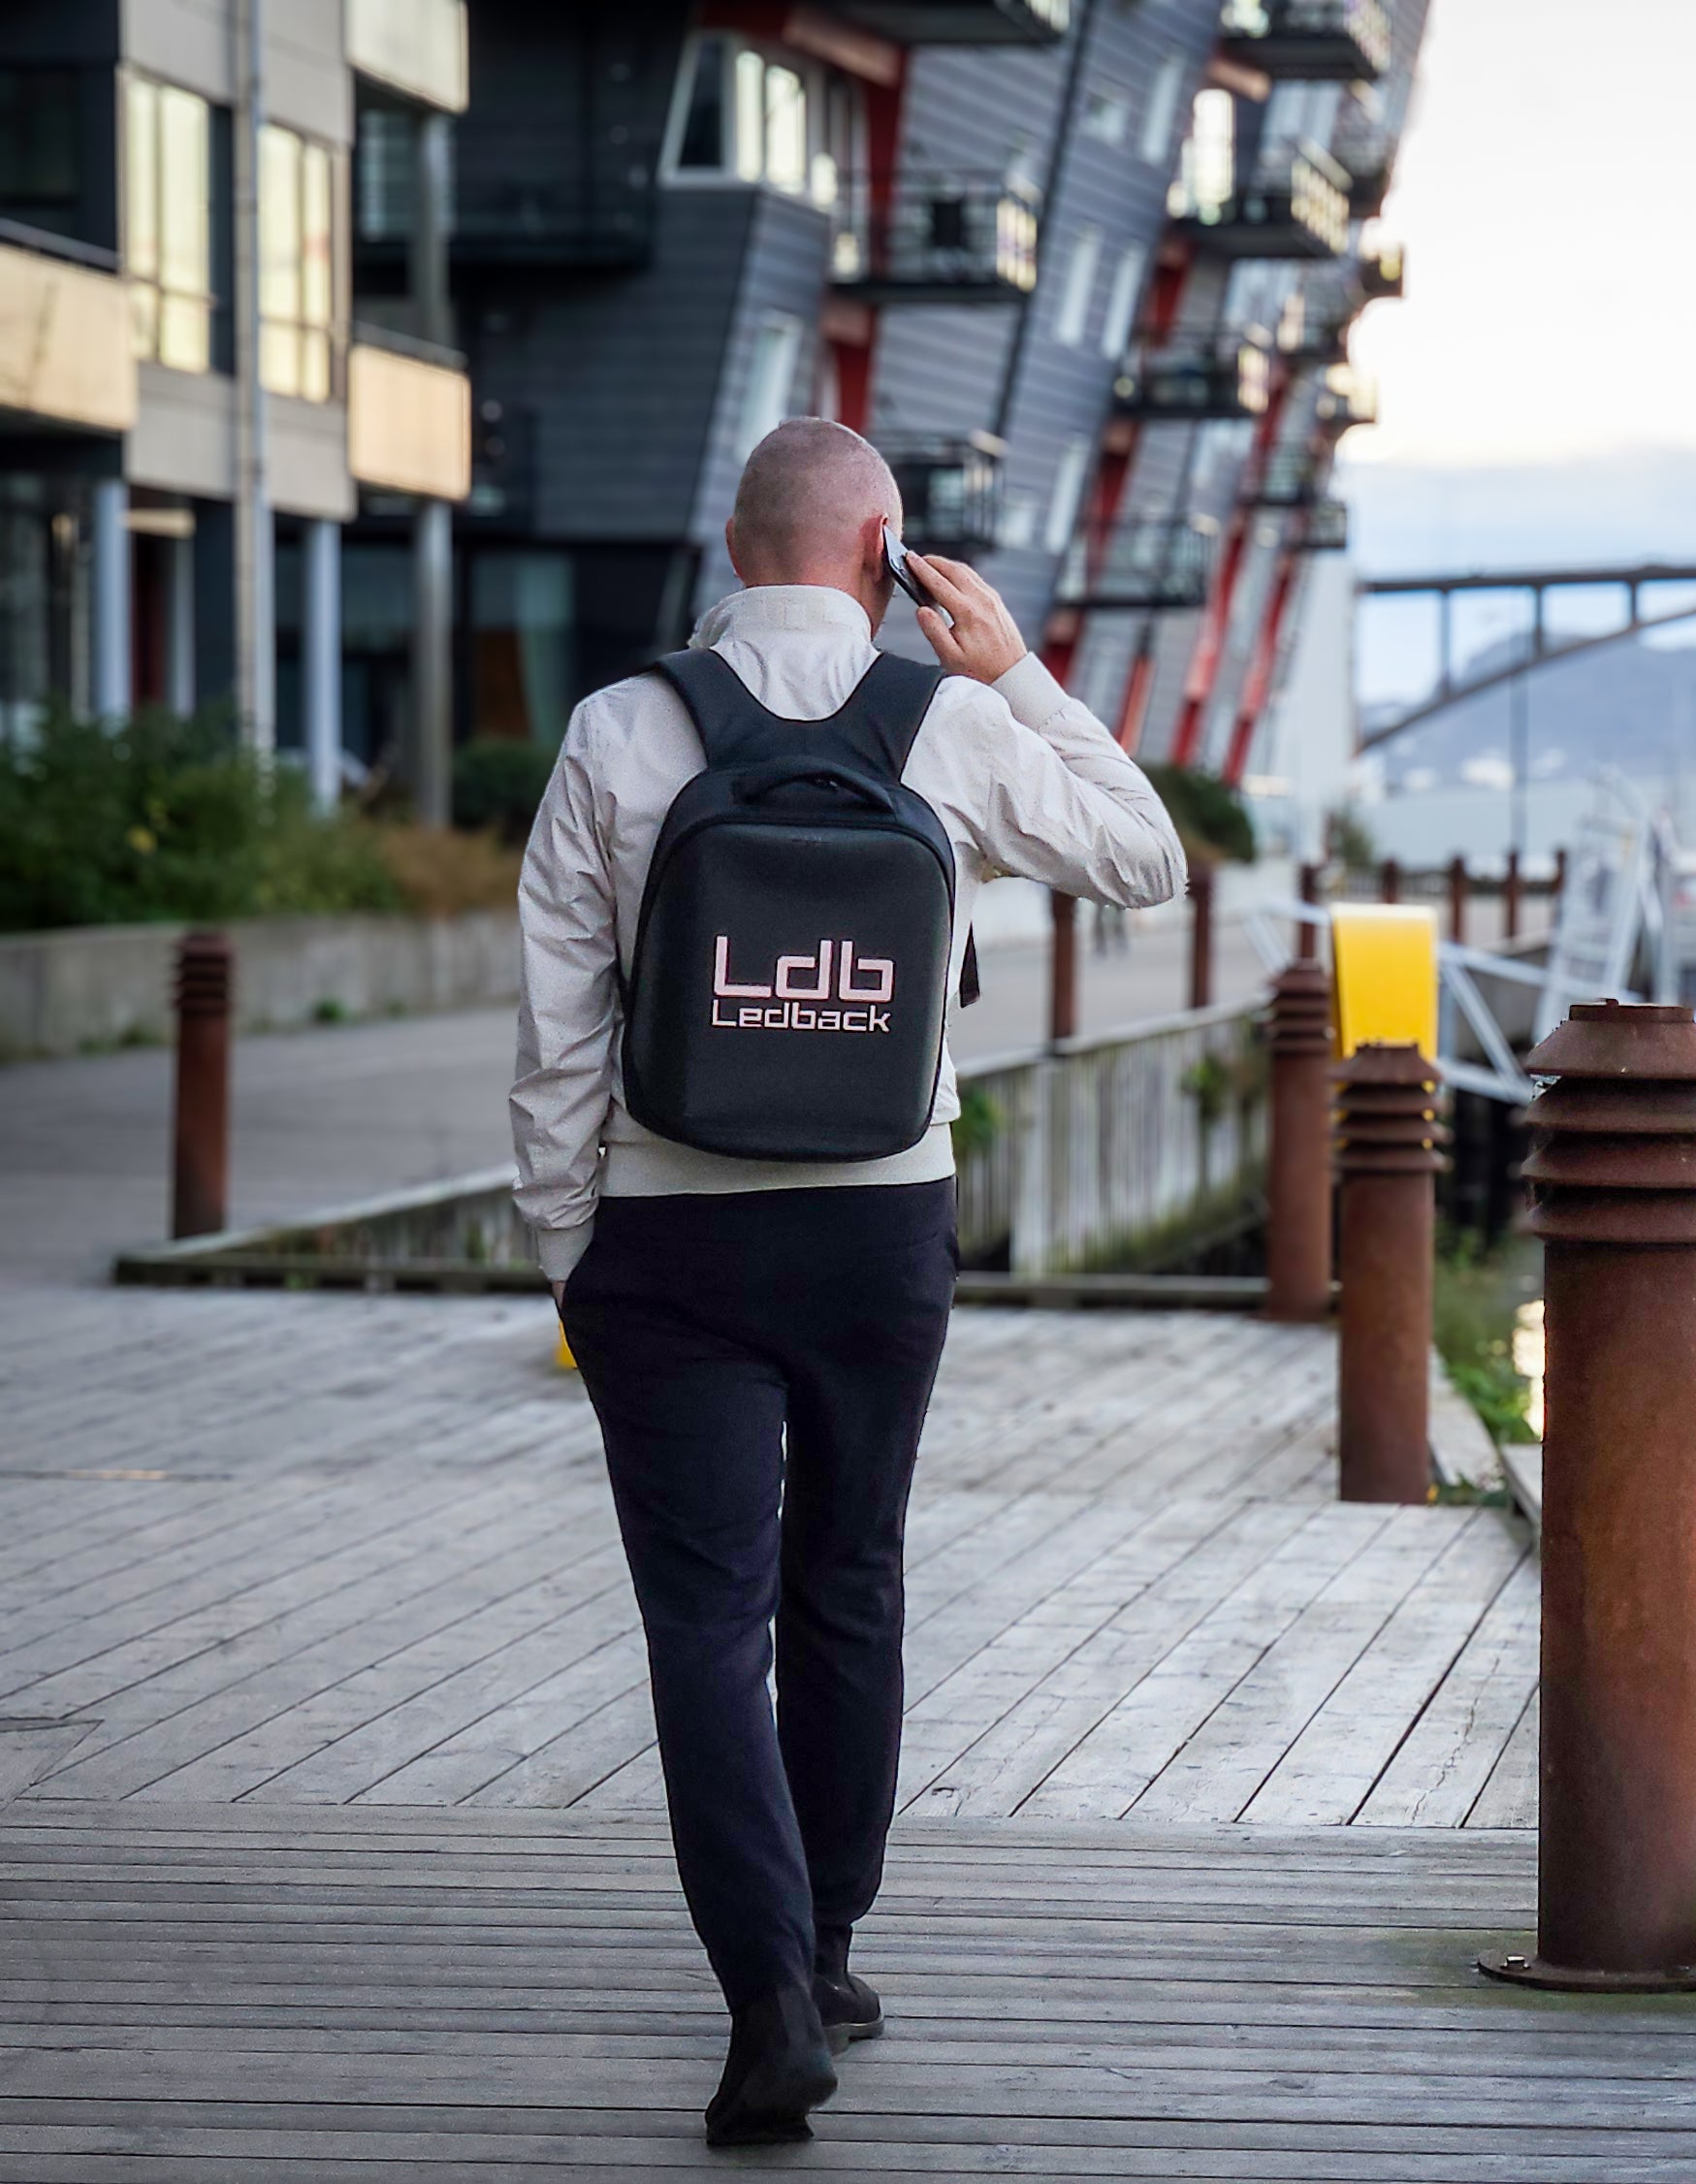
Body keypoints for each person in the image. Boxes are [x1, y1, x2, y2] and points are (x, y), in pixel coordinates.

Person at [510, 419, 1184, 2146]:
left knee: (702, 1624)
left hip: (667, 1230)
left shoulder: (617, 726)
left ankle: (768, 2002)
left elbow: (559, 1021)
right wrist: (1019, 669)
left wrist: (566, 1249)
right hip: (883, 1227)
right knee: (852, 1577)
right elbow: (1144, 856)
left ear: (732, 549)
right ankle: (831, 1937)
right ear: (885, 551)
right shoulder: (949, 722)